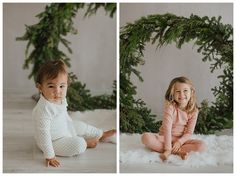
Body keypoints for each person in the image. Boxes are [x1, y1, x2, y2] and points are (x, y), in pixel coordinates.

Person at [32, 59, 116, 167]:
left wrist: (71, 127)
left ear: (67, 85)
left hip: (64, 129)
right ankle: (86, 143)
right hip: (53, 141)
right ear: (40, 87)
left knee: (80, 125)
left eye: (62, 86)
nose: (58, 91)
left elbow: (64, 115)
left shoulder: (59, 99)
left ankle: (100, 134)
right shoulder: (44, 109)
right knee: (79, 145)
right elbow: (44, 134)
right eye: (51, 86)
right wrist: (50, 155)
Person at [141, 76, 206, 161]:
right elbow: (167, 129)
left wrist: (179, 142)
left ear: (192, 92)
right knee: (145, 138)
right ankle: (176, 152)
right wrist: (168, 148)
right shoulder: (170, 108)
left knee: (201, 146)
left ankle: (172, 151)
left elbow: (189, 132)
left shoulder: (194, 111)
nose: (182, 94)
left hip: (180, 140)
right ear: (172, 94)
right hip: (165, 138)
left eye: (185, 91)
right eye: (178, 91)